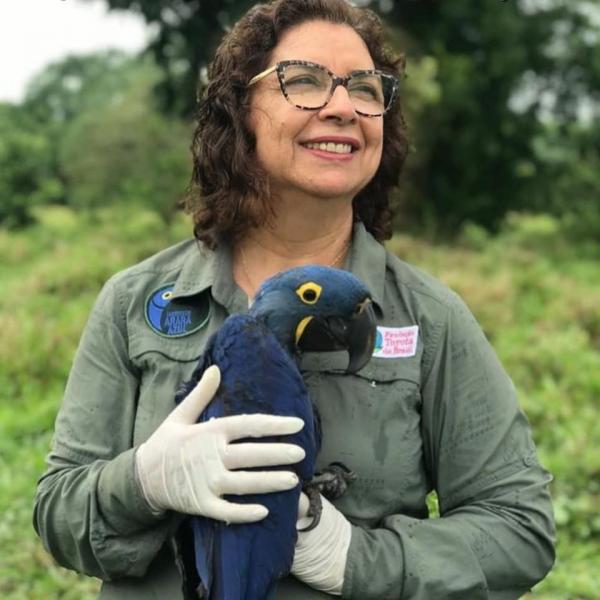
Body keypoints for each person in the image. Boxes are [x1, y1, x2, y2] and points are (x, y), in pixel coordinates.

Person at [34, 0, 556, 598]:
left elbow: (521, 530)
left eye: (365, 89)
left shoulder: (429, 319)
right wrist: (143, 483)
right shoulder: (136, 301)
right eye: (304, 81)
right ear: (240, 110)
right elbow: (58, 515)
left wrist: (356, 558)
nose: (342, 107)